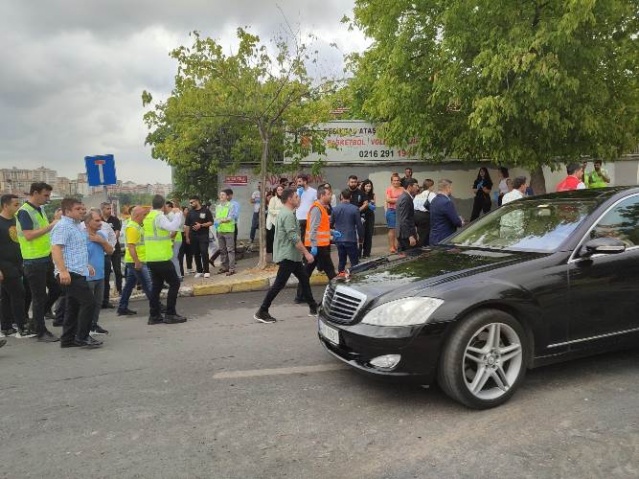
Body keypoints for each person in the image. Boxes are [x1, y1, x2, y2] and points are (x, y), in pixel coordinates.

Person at [254, 188, 318, 323]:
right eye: (296, 197)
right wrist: (306, 253)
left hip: (292, 255)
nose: (298, 199)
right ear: (289, 199)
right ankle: (262, 311)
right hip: (287, 255)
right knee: (279, 283)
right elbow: (293, 237)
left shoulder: (286, 212)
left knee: (304, 278)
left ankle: (313, 307)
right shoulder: (288, 214)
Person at [51, 198, 102, 349]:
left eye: (83, 208)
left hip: (78, 270)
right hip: (69, 273)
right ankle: (82, 337)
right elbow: (56, 249)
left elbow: (74, 249)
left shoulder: (77, 226)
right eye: (78, 209)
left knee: (73, 306)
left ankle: (67, 339)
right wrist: (63, 271)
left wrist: (86, 264)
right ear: (68, 211)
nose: (82, 211)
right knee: (89, 303)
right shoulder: (63, 226)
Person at [16, 182, 61, 342]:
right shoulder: (24, 212)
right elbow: (28, 235)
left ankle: (36, 321)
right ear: (35, 193)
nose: (47, 199)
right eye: (45, 195)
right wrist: (50, 226)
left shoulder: (40, 209)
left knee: (57, 289)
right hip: (33, 261)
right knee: (39, 297)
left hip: (46, 257)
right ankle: (40, 331)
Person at [143, 195, 187, 325]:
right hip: (161, 258)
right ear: (163, 205)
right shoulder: (158, 216)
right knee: (175, 283)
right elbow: (172, 226)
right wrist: (178, 214)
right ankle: (170, 314)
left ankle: (154, 315)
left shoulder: (148, 217)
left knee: (156, 287)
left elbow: (162, 231)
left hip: (151, 258)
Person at [0, 194, 35, 338]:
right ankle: (22, 326)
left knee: (7, 296)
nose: (18, 207)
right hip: (5, 264)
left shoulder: (17, 220)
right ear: (5, 205)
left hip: (20, 262)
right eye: (15, 204)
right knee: (18, 293)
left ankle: (7, 326)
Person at [295, 184, 337, 303]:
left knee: (307, 272)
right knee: (330, 271)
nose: (330, 196)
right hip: (318, 246)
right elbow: (313, 228)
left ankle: (300, 296)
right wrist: (313, 245)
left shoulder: (321, 207)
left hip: (318, 246)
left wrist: (333, 232)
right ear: (322, 195)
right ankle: (337, 296)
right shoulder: (317, 208)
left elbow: (321, 227)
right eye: (328, 194)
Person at [117, 206, 153, 316]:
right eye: (143, 215)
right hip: (137, 261)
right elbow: (131, 246)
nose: (144, 217)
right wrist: (137, 262)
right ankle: (156, 305)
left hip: (137, 259)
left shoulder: (137, 226)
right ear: (137, 216)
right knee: (148, 284)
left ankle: (122, 307)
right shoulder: (132, 227)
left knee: (129, 285)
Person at [84, 208, 113, 335]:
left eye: (100, 220)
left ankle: (93, 325)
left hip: (100, 275)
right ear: (88, 222)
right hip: (87, 276)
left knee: (97, 303)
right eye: (97, 220)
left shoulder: (101, 235)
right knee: (87, 304)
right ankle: (84, 328)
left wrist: (102, 241)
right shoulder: (81, 236)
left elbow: (110, 251)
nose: (100, 223)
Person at [331, 189, 364, 273]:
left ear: (341, 196)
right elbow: (359, 225)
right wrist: (361, 238)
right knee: (354, 262)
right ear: (351, 197)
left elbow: (331, 223)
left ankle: (340, 277)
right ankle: (354, 278)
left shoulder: (335, 209)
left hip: (339, 239)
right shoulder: (355, 209)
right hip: (350, 238)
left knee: (342, 261)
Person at [100, 202, 122, 308]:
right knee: (106, 273)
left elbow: (116, 234)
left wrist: (111, 246)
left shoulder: (115, 220)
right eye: (107, 208)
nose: (109, 210)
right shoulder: (98, 220)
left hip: (115, 249)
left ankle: (119, 289)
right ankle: (105, 295)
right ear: (102, 209)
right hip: (104, 251)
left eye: (110, 208)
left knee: (117, 270)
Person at [185, 196, 213, 278]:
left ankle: (206, 271)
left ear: (197, 201)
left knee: (204, 252)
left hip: (203, 235)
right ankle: (199, 271)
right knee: (196, 254)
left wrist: (201, 225)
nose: (191, 204)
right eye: (190, 202)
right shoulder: (190, 212)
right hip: (193, 236)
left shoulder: (206, 211)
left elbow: (211, 222)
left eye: (192, 202)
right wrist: (187, 237)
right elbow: (187, 226)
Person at [429, 179, 464, 245]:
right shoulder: (447, 202)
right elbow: (457, 222)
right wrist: (461, 221)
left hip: (433, 238)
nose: (451, 190)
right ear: (448, 188)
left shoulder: (434, 200)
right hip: (445, 239)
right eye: (451, 188)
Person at [214, 190, 236, 276]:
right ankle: (224, 267)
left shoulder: (231, 205)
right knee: (222, 250)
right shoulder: (218, 206)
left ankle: (231, 268)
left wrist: (221, 221)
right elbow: (216, 218)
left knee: (230, 250)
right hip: (220, 230)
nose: (221, 196)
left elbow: (230, 218)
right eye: (220, 195)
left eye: (223, 195)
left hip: (229, 230)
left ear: (227, 196)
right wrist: (217, 226)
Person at [396, 178, 420, 251]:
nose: (418, 188)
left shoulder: (405, 197)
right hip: (405, 235)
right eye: (416, 186)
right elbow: (404, 219)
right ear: (410, 186)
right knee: (410, 256)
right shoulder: (405, 198)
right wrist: (410, 236)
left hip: (405, 233)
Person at [413, 178, 436, 247]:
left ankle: (421, 246)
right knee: (426, 235)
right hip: (425, 216)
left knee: (420, 233)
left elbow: (413, 205)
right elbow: (435, 205)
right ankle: (423, 249)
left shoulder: (419, 194)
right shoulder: (431, 194)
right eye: (433, 185)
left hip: (416, 215)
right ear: (430, 186)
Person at [295, 174, 317, 243]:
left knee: (308, 238)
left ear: (305, 181)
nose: (298, 183)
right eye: (297, 182)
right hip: (299, 217)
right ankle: (301, 253)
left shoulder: (313, 191)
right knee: (300, 238)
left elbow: (316, 205)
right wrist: (299, 195)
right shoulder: (297, 192)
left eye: (300, 181)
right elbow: (296, 205)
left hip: (309, 218)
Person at [385, 173, 404, 253]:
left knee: (399, 229)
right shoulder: (389, 189)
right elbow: (388, 200)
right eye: (394, 180)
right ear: (391, 181)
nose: (396, 182)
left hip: (400, 211)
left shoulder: (402, 189)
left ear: (399, 181)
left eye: (397, 180)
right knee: (392, 229)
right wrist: (399, 199)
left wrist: (394, 199)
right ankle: (392, 246)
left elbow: (406, 198)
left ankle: (397, 245)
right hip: (391, 211)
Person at [266, 185, 284, 261]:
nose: (280, 191)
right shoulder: (273, 199)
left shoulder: (285, 199)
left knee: (282, 240)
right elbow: (271, 210)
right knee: (275, 241)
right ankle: (275, 258)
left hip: (283, 222)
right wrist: (281, 212)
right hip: (274, 222)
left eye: (281, 189)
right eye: (278, 190)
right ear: (276, 191)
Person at [359, 179, 376, 258]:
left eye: (369, 186)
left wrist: (370, 204)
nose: (368, 188)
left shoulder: (373, 195)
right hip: (361, 216)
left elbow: (373, 207)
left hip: (370, 216)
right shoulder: (360, 194)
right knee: (361, 235)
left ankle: (367, 253)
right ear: (363, 186)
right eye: (366, 186)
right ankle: (359, 252)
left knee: (369, 234)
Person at [178, 206, 194, 275]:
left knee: (189, 253)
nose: (187, 211)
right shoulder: (180, 218)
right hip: (181, 236)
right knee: (181, 254)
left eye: (188, 210)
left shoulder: (189, 218)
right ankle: (181, 272)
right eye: (186, 210)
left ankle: (189, 268)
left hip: (188, 236)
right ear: (183, 211)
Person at [248, 182, 262, 249]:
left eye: (260, 186)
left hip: (264, 213)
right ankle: (251, 240)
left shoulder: (267, 192)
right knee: (253, 226)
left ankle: (263, 241)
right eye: (258, 186)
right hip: (256, 212)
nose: (259, 187)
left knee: (263, 227)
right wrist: (258, 199)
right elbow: (251, 201)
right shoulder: (255, 192)